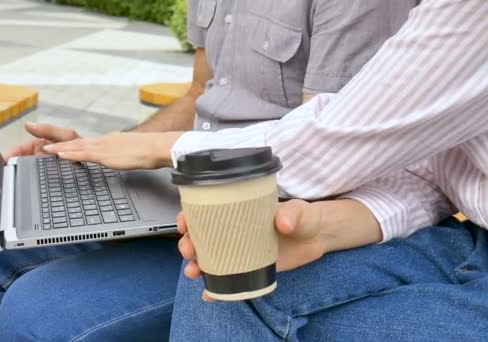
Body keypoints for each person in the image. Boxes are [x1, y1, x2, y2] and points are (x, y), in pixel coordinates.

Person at [0, 1, 419, 340]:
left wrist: (159, 150)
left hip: (259, 221)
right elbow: (199, 95)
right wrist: (101, 151)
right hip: (178, 187)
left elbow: (332, 161)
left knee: (38, 313)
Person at [45, 0, 488, 340]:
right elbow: (430, 162)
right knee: (232, 281)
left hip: (261, 178)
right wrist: (331, 227)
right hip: (219, 176)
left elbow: (340, 146)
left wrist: (170, 152)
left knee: (42, 313)